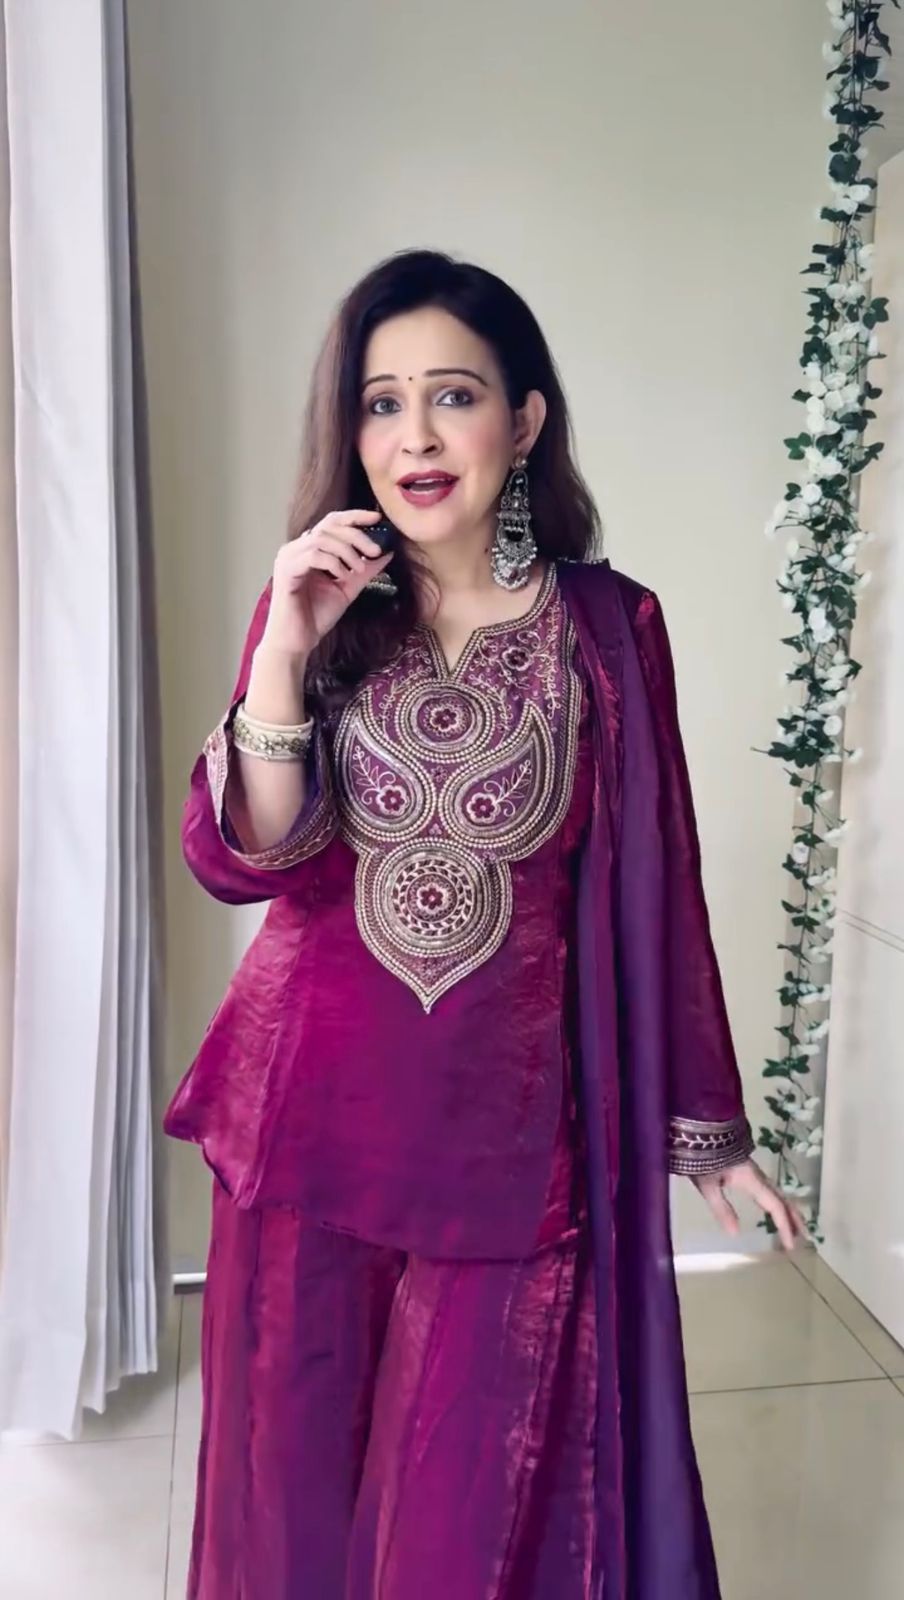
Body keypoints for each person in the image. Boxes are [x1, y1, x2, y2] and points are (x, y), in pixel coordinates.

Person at [164, 247, 808, 1600]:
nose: (414, 436)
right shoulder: (319, 606)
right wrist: (284, 650)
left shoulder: (610, 628)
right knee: (290, 1515)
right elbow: (246, 857)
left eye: (451, 396)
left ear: (523, 422)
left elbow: (663, 881)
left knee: (466, 1531)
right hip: (304, 1128)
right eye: (381, 402)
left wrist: (709, 1130)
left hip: (510, 1153)